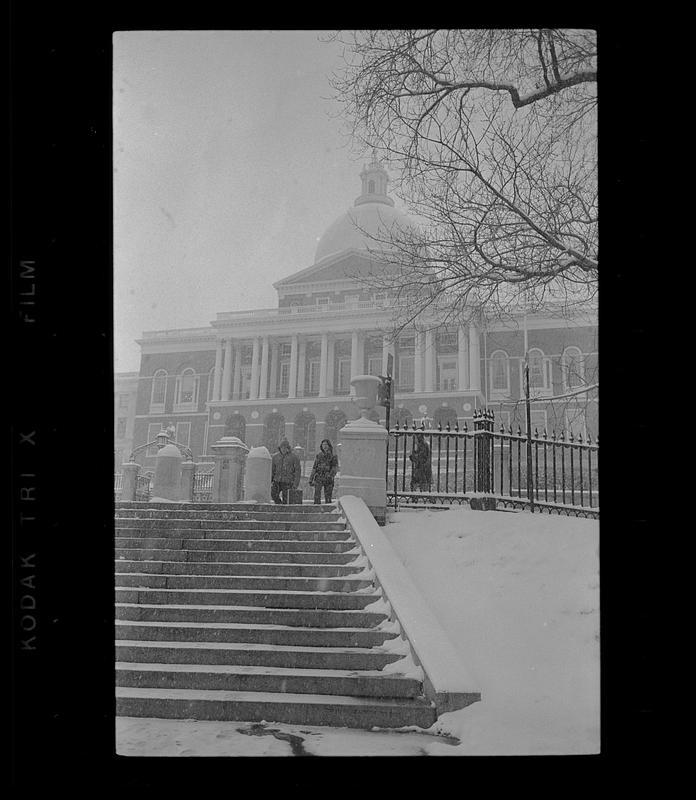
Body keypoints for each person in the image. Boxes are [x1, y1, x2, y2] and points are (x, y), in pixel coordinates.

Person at [271, 438, 301, 504]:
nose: (283, 449)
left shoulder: (294, 457)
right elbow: (272, 470)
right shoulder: (275, 457)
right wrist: (271, 480)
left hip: (288, 481)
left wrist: (295, 483)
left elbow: (297, 471)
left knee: (286, 498)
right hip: (277, 480)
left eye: (285, 447)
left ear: (288, 448)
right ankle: (279, 505)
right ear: (280, 448)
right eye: (282, 447)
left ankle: (283, 509)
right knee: (273, 494)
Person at [308, 439, 339, 504]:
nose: (324, 446)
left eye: (326, 444)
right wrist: (311, 478)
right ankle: (316, 509)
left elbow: (335, 468)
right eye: (323, 444)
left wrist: (330, 475)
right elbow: (314, 468)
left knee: (328, 496)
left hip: (328, 478)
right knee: (317, 495)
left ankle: (327, 510)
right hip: (319, 477)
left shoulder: (333, 456)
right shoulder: (319, 456)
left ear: (329, 446)